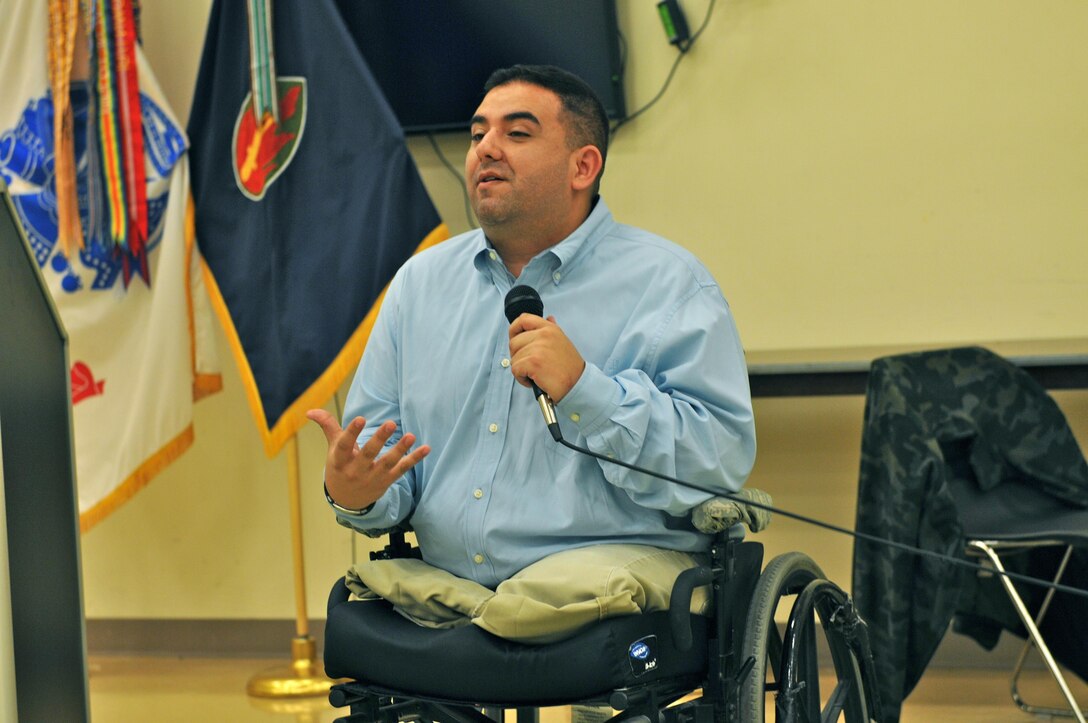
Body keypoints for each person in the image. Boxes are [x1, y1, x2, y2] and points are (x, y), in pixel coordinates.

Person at [307, 64, 756, 643]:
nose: (486, 149)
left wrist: (586, 391)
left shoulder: (670, 285)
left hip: (603, 582)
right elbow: (388, 473)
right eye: (477, 135)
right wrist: (357, 492)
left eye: (516, 134)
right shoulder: (420, 284)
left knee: (545, 615)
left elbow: (717, 462)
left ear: (583, 166)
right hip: (450, 587)